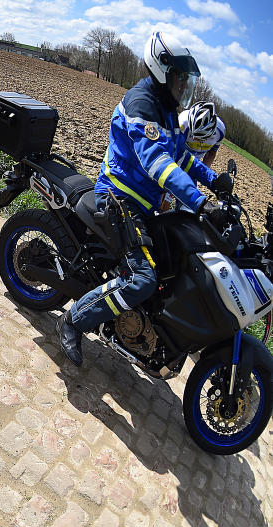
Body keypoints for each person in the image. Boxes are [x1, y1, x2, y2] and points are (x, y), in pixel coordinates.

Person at [58, 32, 231, 366]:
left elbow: (182, 158)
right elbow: (158, 163)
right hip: (118, 198)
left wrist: (215, 181)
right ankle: (72, 321)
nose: (185, 86)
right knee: (143, 280)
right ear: (162, 69)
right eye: (181, 78)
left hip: (143, 205)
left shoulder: (167, 111)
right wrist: (200, 202)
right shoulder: (143, 103)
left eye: (187, 79)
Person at [180, 101, 225, 168]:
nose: (194, 139)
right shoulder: (183, 123)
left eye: (200, 138)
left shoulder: (220, 131)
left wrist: (205, 172)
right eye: (193, 134)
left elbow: (211, 153)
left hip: (195, 162)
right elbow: (174, 150)